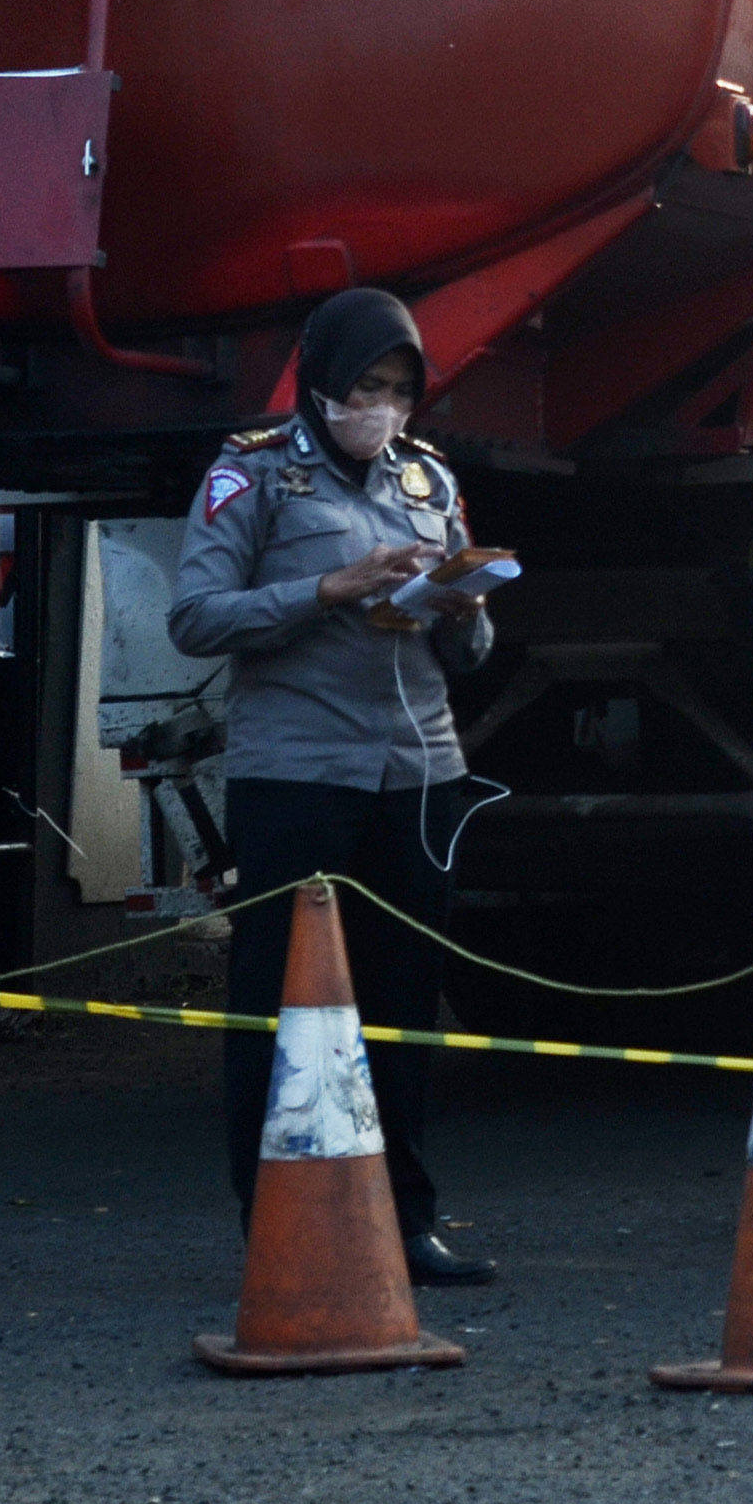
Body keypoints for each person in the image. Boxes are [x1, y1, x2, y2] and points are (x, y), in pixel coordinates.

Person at [170, 287, 502, 1286]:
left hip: (418, 771)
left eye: (400, 390)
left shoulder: (427, 481)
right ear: (322, 383)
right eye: (368, 386)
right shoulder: (255, 473)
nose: (383, 407)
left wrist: (454, 601)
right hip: (298, 775)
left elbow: (475, 650)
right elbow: (197, 617)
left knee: (402, 1005)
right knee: (285, 1003)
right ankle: (274, 1218)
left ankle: (406, 1218)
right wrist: (330, 590)